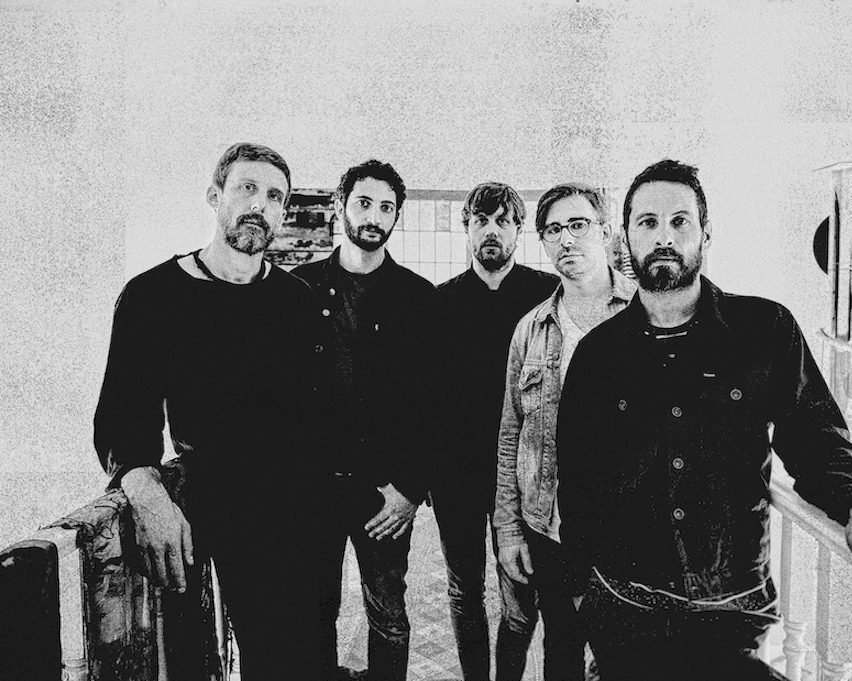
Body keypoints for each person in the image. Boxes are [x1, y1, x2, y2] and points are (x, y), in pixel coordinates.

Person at [556, 159, 852, 681]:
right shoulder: (597, 355)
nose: (664, 236)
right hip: (626, 611)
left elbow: (815, 436)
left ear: (705, 233)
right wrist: (583, 592)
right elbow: (578, 481)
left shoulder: (765, 328)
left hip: (736, 613)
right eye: (647, 222)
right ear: (625, 238)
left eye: (679, 221)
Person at [94, 142, 323, 679]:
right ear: (214, 195)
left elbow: (314, 416)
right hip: (197, 508)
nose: (260, 205)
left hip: (286, 516)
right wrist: (145, 492)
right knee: (188, 662)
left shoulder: (297, 301)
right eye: (247, 188)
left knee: (287, 661)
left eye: (275, 197)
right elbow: (123, 417)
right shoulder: (153, 296)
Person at [292, 159, 439, 681]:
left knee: (388, 614)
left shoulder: (420, 298)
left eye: (386, 207)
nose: (374, 217)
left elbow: (435, 406)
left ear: (396, 215)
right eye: (364, 203)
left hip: (385, 493)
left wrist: (410, 489)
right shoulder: (298, 290)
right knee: (314, 612)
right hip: (314, 488)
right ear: (340, 206)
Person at [494, 183, 636, 680]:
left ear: (606, 232)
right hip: (547, 527)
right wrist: (509, 529)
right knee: (561, 649)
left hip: (629, 534)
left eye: (578, 225)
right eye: (553, 230)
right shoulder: (531, 329)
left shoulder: (646, 314)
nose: (566, 240)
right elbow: (511, 434)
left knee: (626, 658)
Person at [435, 182, 559, 681]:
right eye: (481, 221)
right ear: (466, 227)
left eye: (503, 221)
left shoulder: (545, 295)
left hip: (524, 476)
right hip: (456, 477)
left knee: (521, 594)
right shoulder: (441, 302)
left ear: (518, 230)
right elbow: (427, 397)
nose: (491, 231)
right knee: (464, 591)